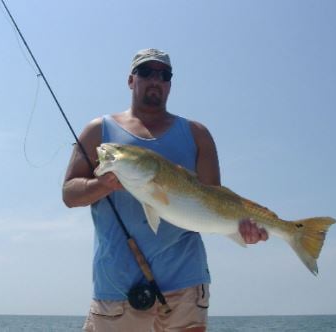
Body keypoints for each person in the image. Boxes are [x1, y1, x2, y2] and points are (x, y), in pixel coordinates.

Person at [62, 48, 268, 332]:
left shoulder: (198, 134)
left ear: (170, 83)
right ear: (131, 80)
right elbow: (69, 193)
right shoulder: (99, 132)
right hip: (117, 287)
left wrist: (243, 227)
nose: (155, 80)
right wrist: (102, 184)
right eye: (146, 72)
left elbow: (214, 201)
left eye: (164, 74)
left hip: (187, 285)